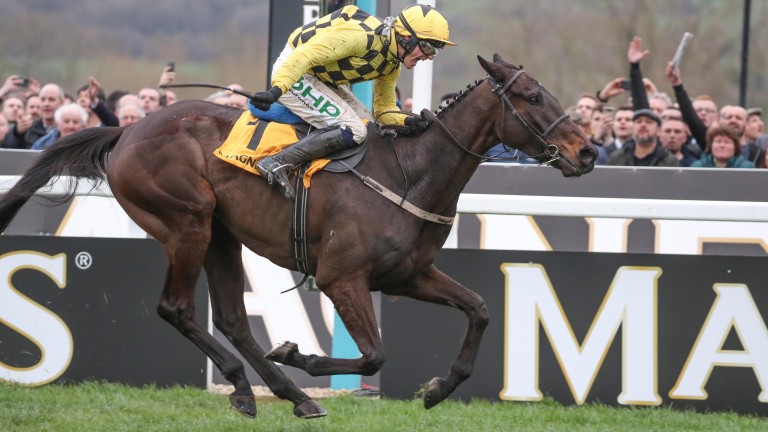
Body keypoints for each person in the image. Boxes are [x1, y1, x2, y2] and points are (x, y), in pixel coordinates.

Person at [249, 4, 454, 199]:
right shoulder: (361, 37)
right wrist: (276, 90)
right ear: (406, 37)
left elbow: (384, 110)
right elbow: (305, 55)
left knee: (369, 126)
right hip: (295, 70)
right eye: (428, 48)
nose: (430, 57)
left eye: (435, 51)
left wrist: (409, 121)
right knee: (355, 130)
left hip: (320, 78)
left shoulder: (391, 65)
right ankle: (277, 162)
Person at [607, 108, 679, 167]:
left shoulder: (669, 160)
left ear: (659, 130)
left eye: (649, 122)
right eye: (638, 121)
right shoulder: (617, 158)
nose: (643, 125)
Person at [3, 83, 64, 149]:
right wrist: (17, 133)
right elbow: (9, 152)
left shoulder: (70, 127)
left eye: (51, 99)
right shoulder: (28, 127)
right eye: (43, 100)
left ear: (62, 102)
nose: (46, 104)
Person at [690, 125, 755, 169]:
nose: (722, 145)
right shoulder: (697, 167)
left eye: (727, 142)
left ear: (735, 146)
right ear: (711, 145)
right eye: (718, 141)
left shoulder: (747, 167)